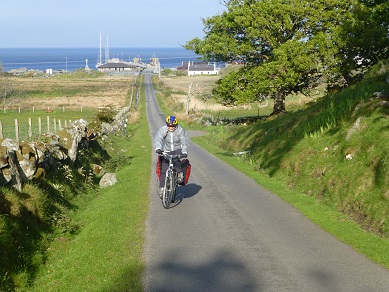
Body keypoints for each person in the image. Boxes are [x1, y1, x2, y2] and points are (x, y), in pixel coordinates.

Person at [154, 115, 190, 199]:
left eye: (172, 126)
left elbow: (184, 142)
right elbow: (158, 139)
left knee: (176, 160)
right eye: (169, 125)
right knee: (164, 169)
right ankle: (162, 188)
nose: (170, 127)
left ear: (176, 125)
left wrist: (184, 152)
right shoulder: (163, 130)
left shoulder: (180, 130)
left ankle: (179, 172)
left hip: (177, 149)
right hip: (166, 150)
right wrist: (158, 148)